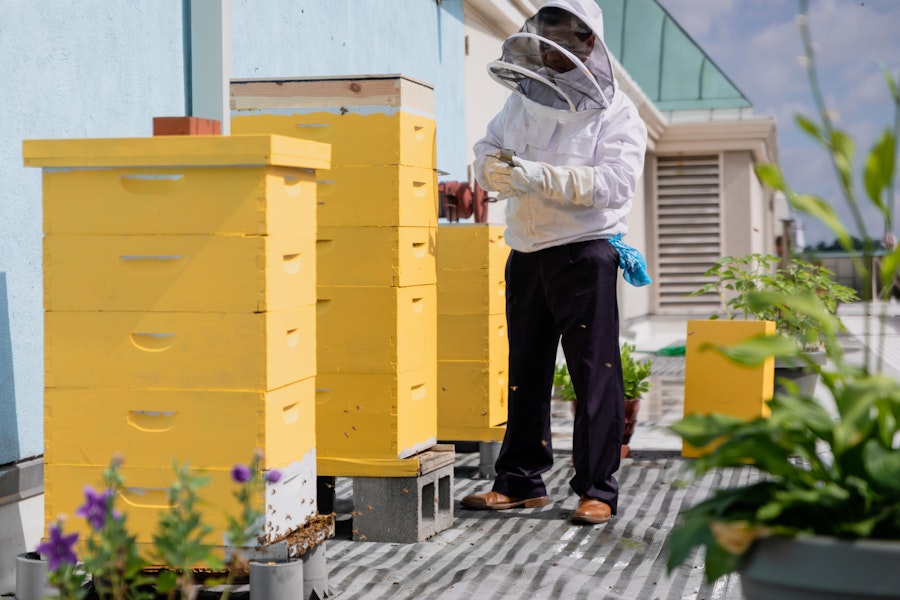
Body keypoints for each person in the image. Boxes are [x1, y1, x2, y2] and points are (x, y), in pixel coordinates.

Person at [460, 0, 649, 525]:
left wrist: (538, 176)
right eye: (548, 37)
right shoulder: (523, 99)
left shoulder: (618, 113)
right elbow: (489, 145)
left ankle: (598, 490)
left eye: (566, 38)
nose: (554, 48)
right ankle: (520, 481)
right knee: (525, 369)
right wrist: (490, 170)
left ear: (590, 42)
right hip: (525, 250)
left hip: (585, 252)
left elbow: (613, 186)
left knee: (595, 372)